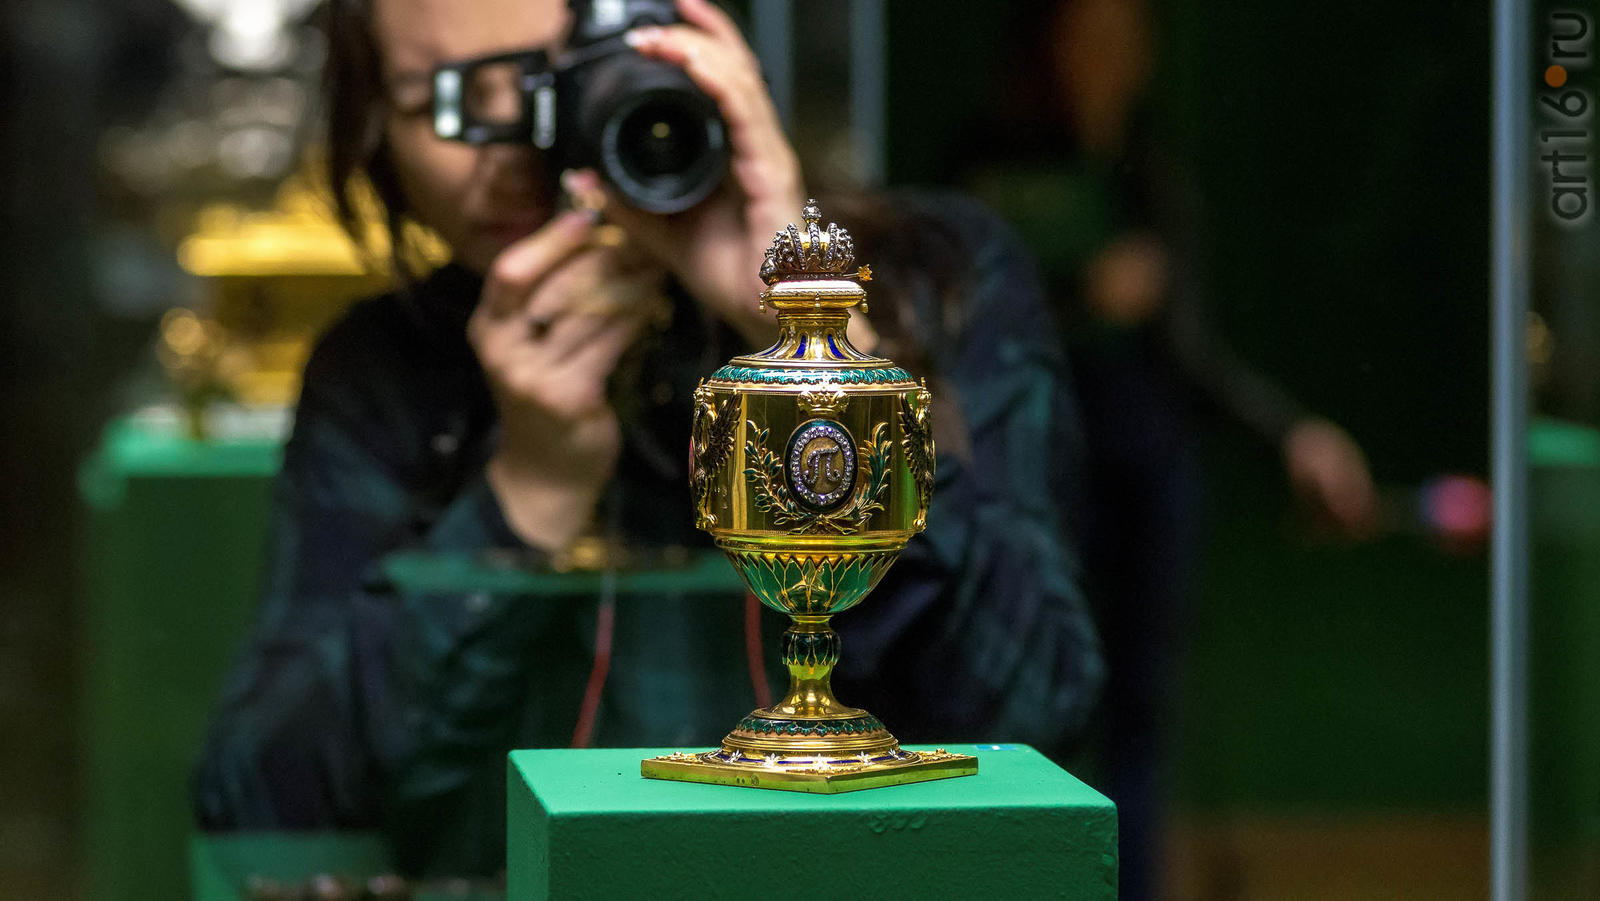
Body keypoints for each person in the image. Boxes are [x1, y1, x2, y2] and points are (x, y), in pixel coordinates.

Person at [193, 0, 1102, 879]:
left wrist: (815, 350)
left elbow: (1035, 714)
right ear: (375, 135)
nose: (513, 142)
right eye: (449, 97)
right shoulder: (388, 371)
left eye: (554, 78)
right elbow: (261, 798)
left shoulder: (940, 283)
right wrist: (526, 492)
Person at [954, 2, 1378, 899]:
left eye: (1127, 40)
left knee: (1140, 710)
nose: (1112, 59)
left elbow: (1190, 354)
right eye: (1091, 37)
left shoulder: (1151, 176)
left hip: (1146, 471)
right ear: (1050, 45)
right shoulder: (988, 163)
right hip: (1028, 484)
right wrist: (1082, 294)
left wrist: (1291, 436)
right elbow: (955, 328)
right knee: (1032, 705)